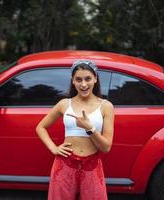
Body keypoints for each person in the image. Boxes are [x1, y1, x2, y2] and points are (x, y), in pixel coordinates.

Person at [36, 59, 114, 200]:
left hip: (92, 165)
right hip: (65, 163)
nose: (83, 84)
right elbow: (41, 127)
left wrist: (89, 128)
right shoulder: (64, 104)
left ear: (95, 79)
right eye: (78, 79)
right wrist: (54, 148)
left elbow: (106, 147)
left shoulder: (106, 106)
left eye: (88, 79)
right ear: (73, 81)